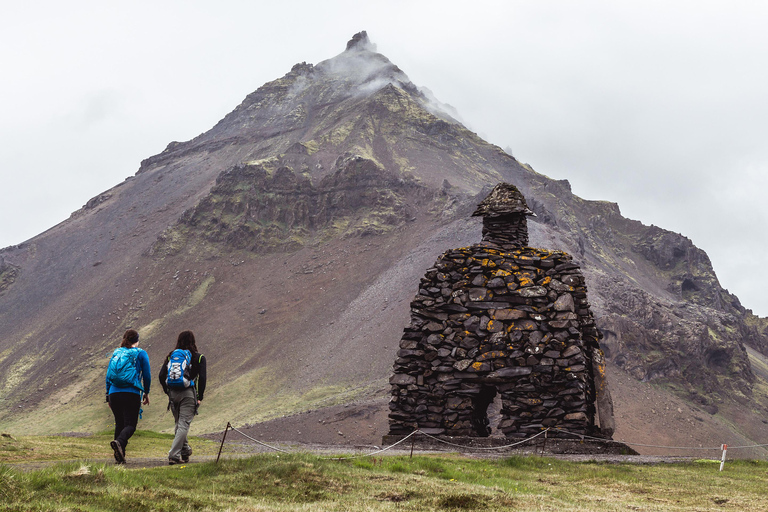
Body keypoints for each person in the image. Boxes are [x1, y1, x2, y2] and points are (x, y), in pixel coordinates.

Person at [159, 330, 207, 465]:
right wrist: (200, 396)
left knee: (179, 424)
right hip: (188, 393)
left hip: (173, 394)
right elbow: (202, 378)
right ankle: (174, 455)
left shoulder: (171, 357)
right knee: (183, 424)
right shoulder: (198, 357)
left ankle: (185, 451)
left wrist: (167, 391)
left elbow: (161, 375)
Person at [106, 329, 151, 464]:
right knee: (130, 425)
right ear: (137, 341)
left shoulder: (116, 353)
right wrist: (146, 392)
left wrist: (108, 395)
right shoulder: (141, 353)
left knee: (119, 423)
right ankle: (119, 442)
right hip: (131, 393)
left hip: (114, 393)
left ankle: (119, 457)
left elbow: (108, 375)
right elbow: (147, 375)